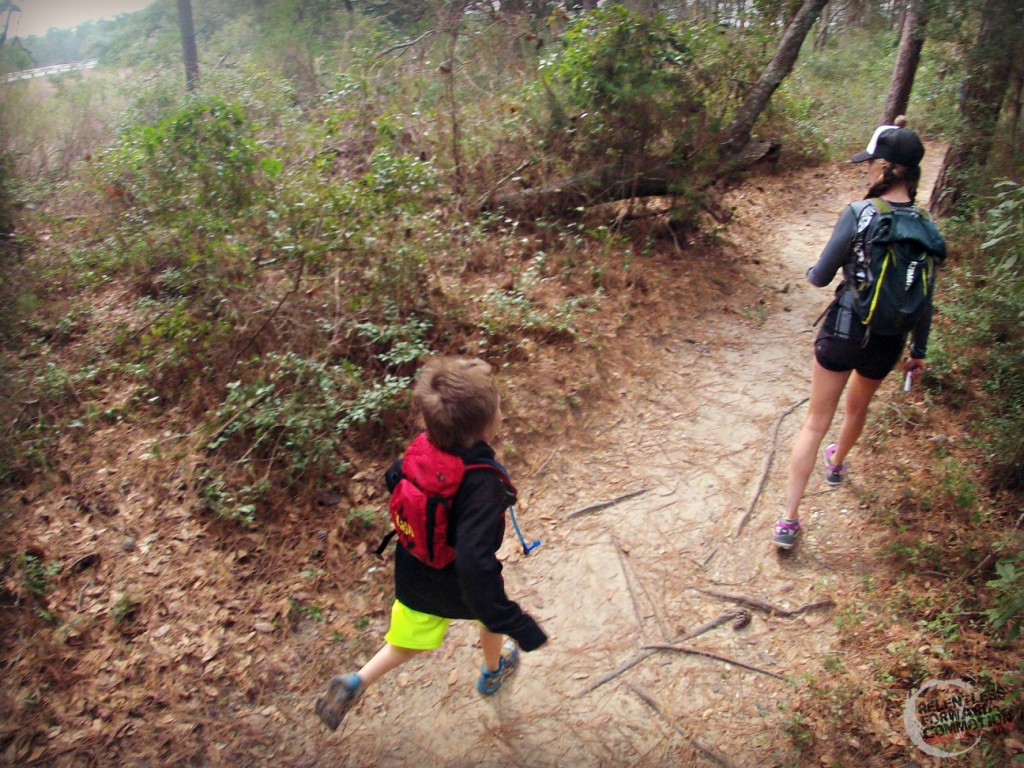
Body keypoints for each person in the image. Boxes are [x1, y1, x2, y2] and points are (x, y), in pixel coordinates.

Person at [315, 356, 548, 731]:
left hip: (414, 567)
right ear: (487, 427)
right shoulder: (481, 482)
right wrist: (513, 620)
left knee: (404, 642)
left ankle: (357, 680)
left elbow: (395, 480)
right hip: (458, 581)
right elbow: (475, 564)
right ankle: (492, 671)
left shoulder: (421, 449)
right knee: (488, 617)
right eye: (499, 408)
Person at [773, 119, 946, 549]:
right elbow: (924, 296)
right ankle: (837, 463)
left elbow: (819, 277)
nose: (867, 169)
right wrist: (919, 351)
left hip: (843, 329)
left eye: (871, 163)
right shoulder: (926, 227)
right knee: (856, 410)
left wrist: (818, 271)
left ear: (886, 167)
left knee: (815, 422)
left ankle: (789, 521)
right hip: (888, 341)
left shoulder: (860, 212)